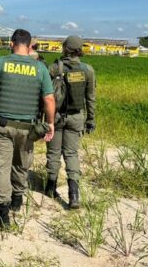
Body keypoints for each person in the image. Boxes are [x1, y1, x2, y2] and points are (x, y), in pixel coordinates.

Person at [0, 29, 55, 229]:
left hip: (2, 124)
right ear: (30, 46)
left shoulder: (1, 62)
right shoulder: (40, 68)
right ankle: (18, 199)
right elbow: (49, 98)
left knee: (1, 166)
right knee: (22, 163)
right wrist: (50, 123)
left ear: (11, 44)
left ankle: (2, 212)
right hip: (28, 128)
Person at [45, 35, 96, 209]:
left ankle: (50, 188)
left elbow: (45, 94)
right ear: (79, 49)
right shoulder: (88, 70)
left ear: (65, 48)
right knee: (71, 154)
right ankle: (73, 195)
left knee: (53, 153)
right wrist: (91, 119)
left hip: (56, 116)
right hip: (76, 118)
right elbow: (90, 98)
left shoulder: (54, 68)